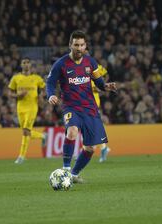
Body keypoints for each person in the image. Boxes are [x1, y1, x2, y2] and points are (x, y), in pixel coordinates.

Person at [46, 30, 117, 183]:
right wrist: (51, 95)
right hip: (71, 107)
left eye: (82, 45)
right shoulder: (61, 63)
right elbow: (50, 82)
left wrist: (106, 86)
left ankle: (74, 174)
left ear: (85, 46)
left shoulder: (90, 62)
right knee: (71, 132)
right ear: (70, 45)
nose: (79, 48)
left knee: (90, 148)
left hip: (90, 109)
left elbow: (99, 83)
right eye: (76, 45)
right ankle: (65, 171)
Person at [8, 57, 46, 164]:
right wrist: (17, 95)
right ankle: (42, 136)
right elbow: (9, 93)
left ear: (30, 65)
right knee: (26, 131)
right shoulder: (16, 78)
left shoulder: (36, 78)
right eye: (24, 62)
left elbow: (44, 89)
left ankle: (21, 156)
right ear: (21, 65)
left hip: (32, 106)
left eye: (28, 62)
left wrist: (41, 96)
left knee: (25, 131)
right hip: (20, 107)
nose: (26, 64)